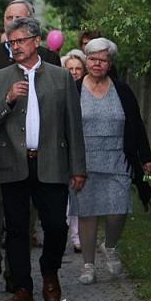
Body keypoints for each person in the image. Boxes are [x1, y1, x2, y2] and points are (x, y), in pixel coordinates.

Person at [0, 17, 86, 301]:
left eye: (21, 41)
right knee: (17, 229)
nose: (16, 47)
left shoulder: (60, 77)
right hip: (13, 162)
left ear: (36, 41)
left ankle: (50, 271)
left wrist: (78, 168)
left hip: (52, 162)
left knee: (56, 225)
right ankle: (23, 287)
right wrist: (8, 100)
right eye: (11, 42)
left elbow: (73, 124)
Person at [0, 0, 61, 292]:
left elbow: (58, 107)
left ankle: (18, 274)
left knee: (27, 216)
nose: (11, 22)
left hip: (35, 152)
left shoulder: (49, 59)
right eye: (8, 16)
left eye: (18, 17)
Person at [72, 38, 151, 284]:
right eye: (93, 59)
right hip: (84, 161)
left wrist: (146, 156)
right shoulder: (74, 89)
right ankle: (88, 265)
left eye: (103, 60)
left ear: (110, 63)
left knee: (118, 210)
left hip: (118, 158)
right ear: (86, 60)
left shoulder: (122, 90)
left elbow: (136, 124)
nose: (97, 64)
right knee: (87, 213)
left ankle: (110, 246)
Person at [61, 49, 88, 252]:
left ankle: (77, 236)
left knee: (78, 194)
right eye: (70, 68)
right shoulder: (59, 91)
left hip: (82, 147)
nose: (74, 72)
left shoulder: (87, 92)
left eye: (78, 68)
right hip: (61, 149)